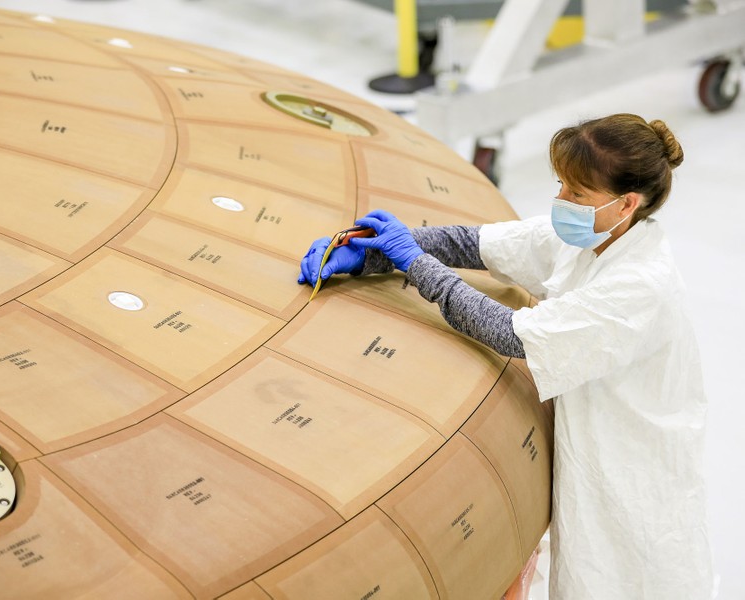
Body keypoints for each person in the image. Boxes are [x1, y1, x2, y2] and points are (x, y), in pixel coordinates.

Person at [298, 113, 713, 599]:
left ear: (627, 203)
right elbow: (478, 245)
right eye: (561, 185)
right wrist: (375, 253)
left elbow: (510, 333)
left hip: (632, 471)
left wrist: (413, 261)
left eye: (576, 194)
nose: (561, 201)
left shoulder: (639, 284)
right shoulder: (595, 233)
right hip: (595, 433)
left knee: (618, 578)